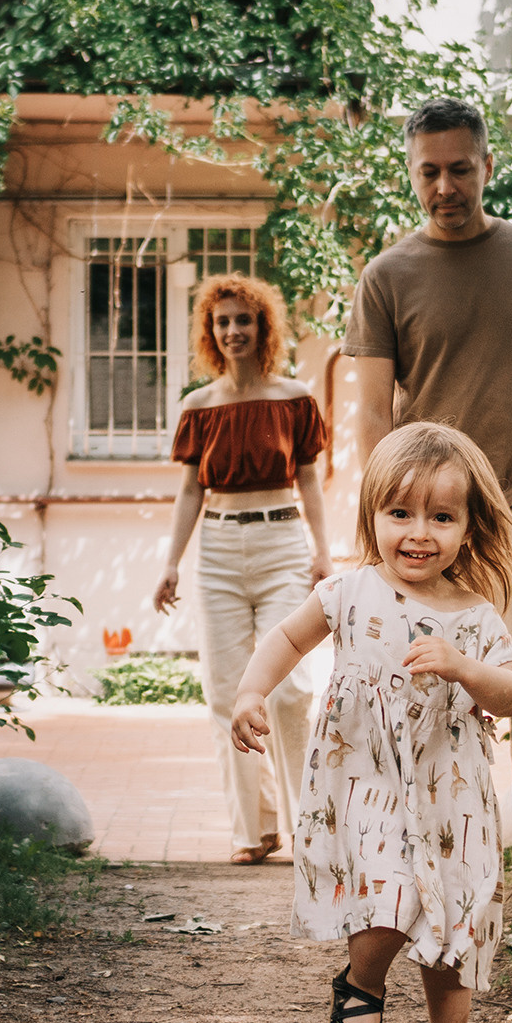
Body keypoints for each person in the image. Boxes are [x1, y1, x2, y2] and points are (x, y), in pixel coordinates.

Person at [343, 97, 512, 938]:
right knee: (422, 684)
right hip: (434, 508)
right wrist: (382, 521)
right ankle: (428, 865)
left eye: (461, 168)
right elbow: (371, 414)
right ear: (412, 173)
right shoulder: (387, 277)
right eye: (430, 171)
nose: (446, 186)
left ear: (488, 167)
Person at [229, 422, 512, 1023]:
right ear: (373, 516)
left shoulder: (476, 618)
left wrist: (464, 669)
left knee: (453, 910)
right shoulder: (350, 592)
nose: (419, 532)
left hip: (450, 790)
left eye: (441, 517)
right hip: (370, 779)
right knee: (390, 893)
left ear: (468, 529)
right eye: (400, 513)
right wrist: (251, 691)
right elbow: (287, 638)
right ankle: (362, 985)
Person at [153, 273, 332, 866]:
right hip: (219, 553)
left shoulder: (295, 398)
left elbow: (309, 478)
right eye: (222, 321)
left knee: (287, 690)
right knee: (227, 692)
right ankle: (253, 831)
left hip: (282, 541)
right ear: (212, 331)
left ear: (263, 328)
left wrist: (323, 551)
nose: (233, 331)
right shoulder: (197, 408)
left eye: (243, 320)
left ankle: (308, 827)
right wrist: (170, 564)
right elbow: (188, 494)